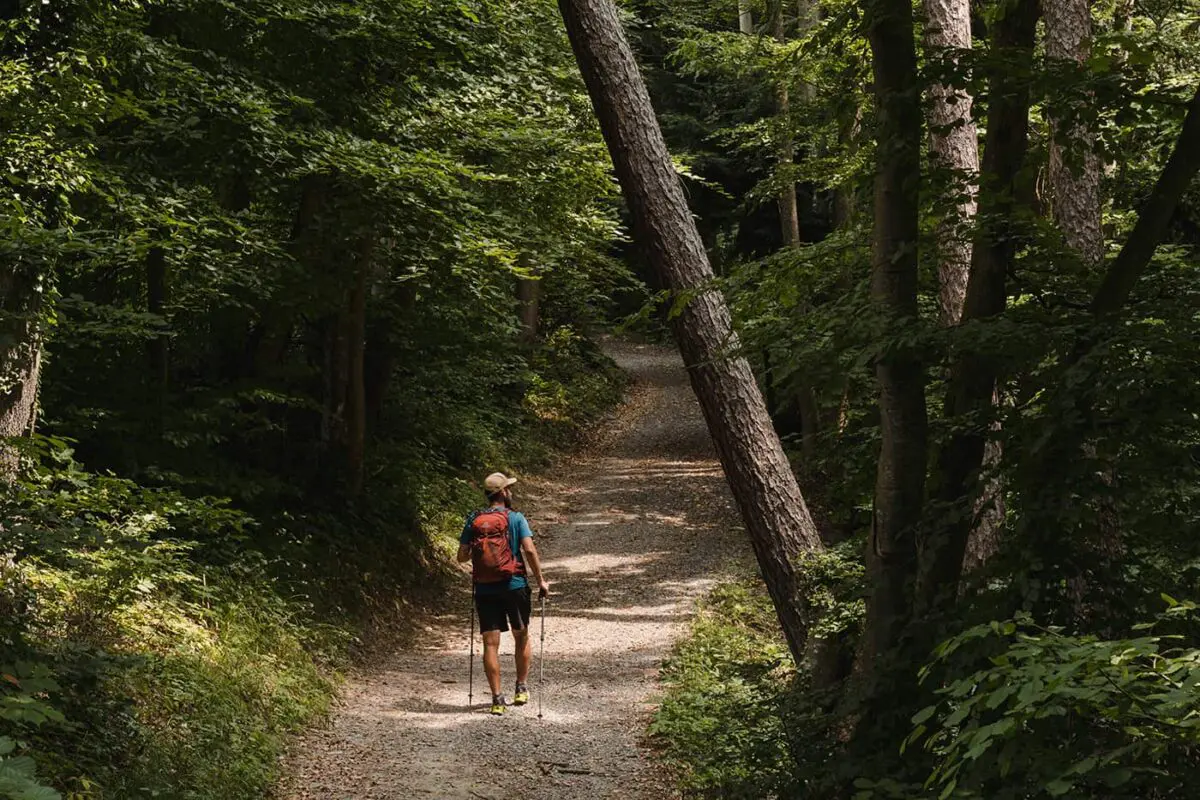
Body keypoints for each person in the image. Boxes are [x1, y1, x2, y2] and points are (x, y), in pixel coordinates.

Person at [458, 472, 550, 715]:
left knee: (490, 643)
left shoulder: (474, 519)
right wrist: (541, 580)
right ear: (502, 493)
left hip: (485, 589)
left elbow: (461, 555)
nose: (511, 491)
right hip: (514, 585)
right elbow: (529, 550)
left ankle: (497, 700)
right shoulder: (516, 518)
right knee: (521, 636)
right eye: (508, 488)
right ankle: (521, 687)